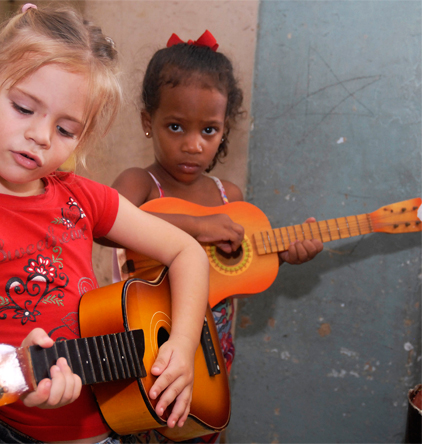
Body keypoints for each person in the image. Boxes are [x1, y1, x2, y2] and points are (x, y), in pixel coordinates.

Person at [0, 5, 210, 444]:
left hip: (115, 425)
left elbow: (188, 252)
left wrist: (180, 344)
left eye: (66, 130)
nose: (42, 136)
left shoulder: (80, 196)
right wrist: (21, 377)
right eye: (24, 108)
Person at [111, 30, 323, 443]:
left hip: (212, 346)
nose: (193, 145)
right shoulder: (139, 183)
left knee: (202, 427)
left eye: (208, 131)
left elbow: (233, 267)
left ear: (225, 130)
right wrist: (199, 226)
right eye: (176, 126)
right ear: (146, 122)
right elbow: (107, 223)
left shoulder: (231, 198)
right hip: (146, 341)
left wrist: (283, 254)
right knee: (143, 429)